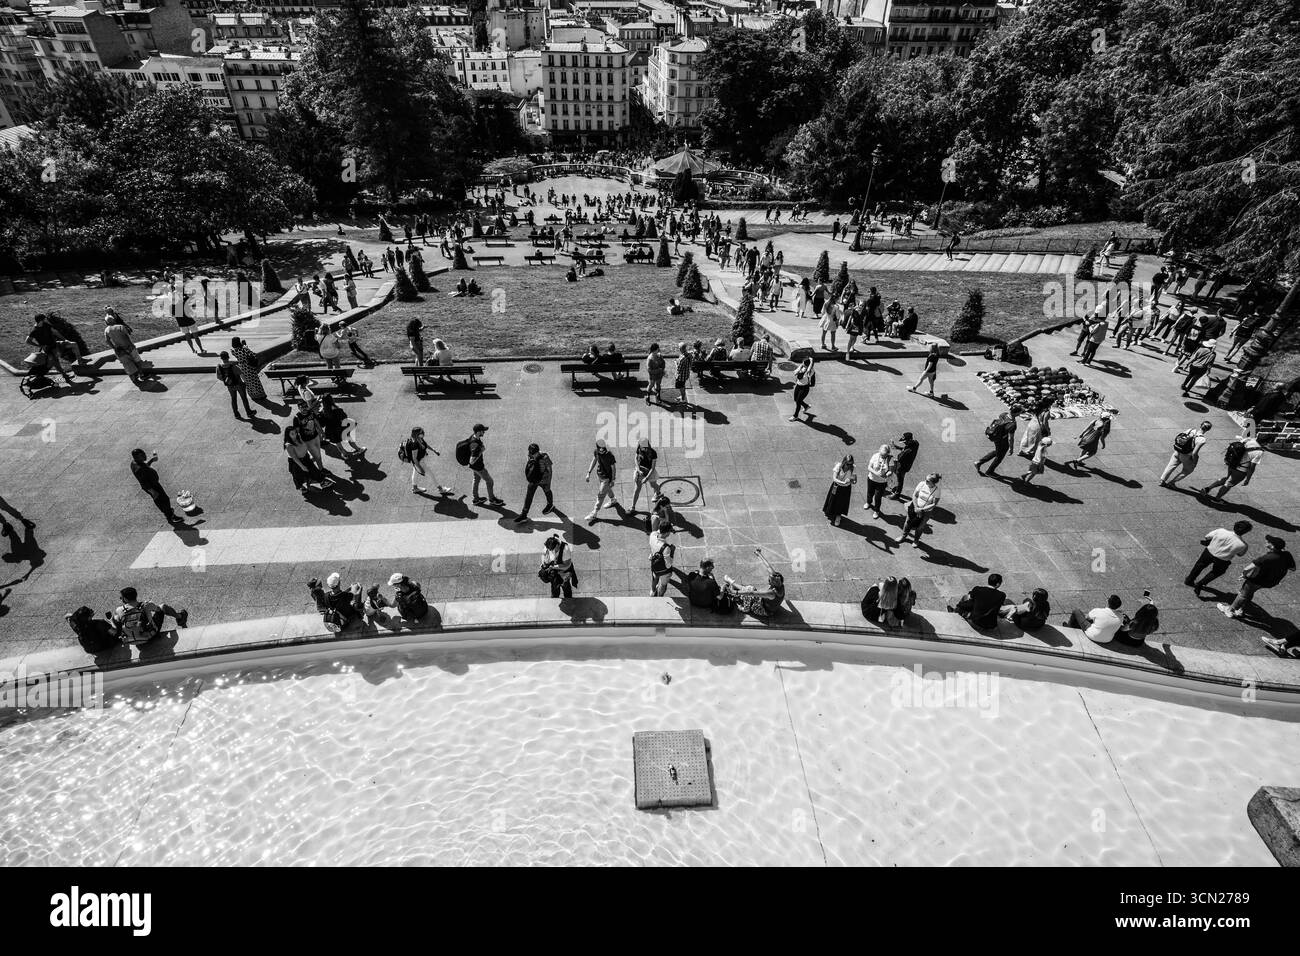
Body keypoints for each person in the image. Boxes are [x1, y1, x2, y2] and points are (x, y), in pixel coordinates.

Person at [1219, 536, 1294, 620]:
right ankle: (1241, 610)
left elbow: (1247, 568)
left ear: (1272, 546)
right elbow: (1292, 568)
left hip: (1256, 580)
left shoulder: (1266, 558)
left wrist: (1244, 575)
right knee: (1250, 592)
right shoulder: (1287, 555)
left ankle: (1230, 610)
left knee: (1243, 594)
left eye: (1269, 542)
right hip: (1271, 582)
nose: (1266, 541)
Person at [1185, 521, 1251, 594]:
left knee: (1199, 565)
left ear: (1234, 526)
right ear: (1245, 532)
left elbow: (1207, 537)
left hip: (1209, 552)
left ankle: (1189, 580)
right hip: (1223, 559)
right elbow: (1240, 554)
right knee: (1216, 572)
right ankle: (1200, 584)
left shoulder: (1221, 531)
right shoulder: (1243, 545)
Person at [108, 586, 189, 645]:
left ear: (125, 599)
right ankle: (180, 617)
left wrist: (111, 620)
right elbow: (158, 610)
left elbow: (116, 626)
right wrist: (148, 613)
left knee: (116, 618)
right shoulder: (146, 605)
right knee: (162, 607)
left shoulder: (119, 610)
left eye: (121, 597)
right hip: (150, 636)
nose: (120, 599)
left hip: (131, 641)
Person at [722, 551, 786, 619]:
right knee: (750, 589)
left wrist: (735, 592)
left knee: (749, 593)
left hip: (763, 609)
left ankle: (744, 608)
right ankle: (733, 584)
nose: (768, 581)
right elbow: (768, 567)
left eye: (769, 580)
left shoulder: (771, 593)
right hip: (766, 603)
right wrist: (759, 554)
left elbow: (752, 593)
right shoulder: (780, 584)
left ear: (773, 583)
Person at [1198, 436, 1263, 500]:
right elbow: (1251, 468)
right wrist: (1248, 479)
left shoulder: (1249, 440)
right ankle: (1217, 499)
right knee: (1229, 484)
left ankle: (1208, 488)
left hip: (1232, 464)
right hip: (1241, 470)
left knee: (1227, 478)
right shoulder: (1259, 452)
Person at [131, 449, 182, 524]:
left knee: (163, 499)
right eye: (142, 456)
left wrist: (152, 460)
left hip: (153, 484)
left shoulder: (135, 463)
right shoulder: (139, 469)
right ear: (136, 457)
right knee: (163, 500)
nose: (145, 456)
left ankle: (168, 511)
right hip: (152, 486)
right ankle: (170, 516)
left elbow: (145, 467)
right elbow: (144, 482)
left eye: (144, 454)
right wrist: (153, 491)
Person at [26, 314, 78, 386]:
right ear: (41, 320)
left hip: (55, 345)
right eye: (45, 319)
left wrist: (65, 340)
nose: (46, 320)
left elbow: (56, 332)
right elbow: (27, 341)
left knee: (73, 345)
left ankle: (77, 364)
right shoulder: (35, 331)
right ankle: (65, 376)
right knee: (55, 362)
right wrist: (39, 345)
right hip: (48, 349)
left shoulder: (46, 325)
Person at [401, 426, 452, 496]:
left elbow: (425, 445)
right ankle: (440, 489)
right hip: (419, 462)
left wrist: (434, 450)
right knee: (431, 474)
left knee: (415, 473)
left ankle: (415, 488)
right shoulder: (414, 444)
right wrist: (420, 468)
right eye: (421, 432)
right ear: (417, 434)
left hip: (420, 461)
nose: (423, 433)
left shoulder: (419, 439)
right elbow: (414, 458)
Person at [1159, 421, 1211, 487]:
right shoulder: (1202, 439)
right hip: (1186, 456)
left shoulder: (1191, 430)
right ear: (1208, 429)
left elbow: (1180, 438)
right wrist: (1194, 462)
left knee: (1171, 465)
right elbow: (1194, 453)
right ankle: (1172, 483)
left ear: (1200, 425)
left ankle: (1162, 480)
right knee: (1187, 470)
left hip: (1178, 451)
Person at [896, 474, 941, 547]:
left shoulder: (937, 490)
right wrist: (916, 507)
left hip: (926, 511)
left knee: (920, 526)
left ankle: (916, 540)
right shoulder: (922, 484)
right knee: (908, 522)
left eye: (927, 480)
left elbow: (934, 504)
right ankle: (903, 536)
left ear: (933, 482)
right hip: (914, 507)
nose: (925, 481)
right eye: (925, 479)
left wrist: (921, 509)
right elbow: (914, 495)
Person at [104, 314, 149, 386]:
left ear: (106, 322)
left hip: (119, 350)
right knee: (137, 361)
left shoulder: (106, 330)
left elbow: (107, 341)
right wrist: (131, 345)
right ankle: (141, 374)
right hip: (129, 347)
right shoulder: (120, 327)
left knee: (127, 364)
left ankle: (134, 378)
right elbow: (127, 336)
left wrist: (114, 348)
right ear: (113, 320)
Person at [584, 438, 619, 523]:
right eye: (600, 450)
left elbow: (613, 468)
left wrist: (613, 480)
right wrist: (589, 472)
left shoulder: (609, 455)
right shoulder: (596, 452)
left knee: (600, 495)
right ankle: (613, 500)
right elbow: (594, 460)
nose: (602, 451)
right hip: (600, 475)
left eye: (603, 449)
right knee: (607, 489)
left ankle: (594, 513)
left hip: (607, 478)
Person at [517, 443, 555, 523]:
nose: (531, 455)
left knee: (547, 491)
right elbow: (529, 466)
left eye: (533, 453)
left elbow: (550, 469)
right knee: (529, 496)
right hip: (534, 480)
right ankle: (524, 514)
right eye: (531, 453)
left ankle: (550, 505)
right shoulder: (530, 456)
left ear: (538, 452)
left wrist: (549, 481)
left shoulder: (545, 457)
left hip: (544, 479)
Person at [466, 424, 502, 506]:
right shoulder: (474, 444)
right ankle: (492, 500)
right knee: (490, 481)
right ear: (478, 432)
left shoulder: (474, 437)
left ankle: (476, 499)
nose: (484, 432)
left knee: (476, 480)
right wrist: (481, 451)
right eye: (483, 431)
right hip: (478, 467)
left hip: (475, 467)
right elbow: (471, 461)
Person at [215, 350, 254, 418]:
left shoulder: (218, 367)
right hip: (239, 384)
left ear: (221, 358)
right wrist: (245, 382)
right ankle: (249, 412)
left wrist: (227, 380)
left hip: (230, 386)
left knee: (233, 399)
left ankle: (236, 414)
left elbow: (218, 377)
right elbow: (242, 375)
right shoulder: (233, 366)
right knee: (244, 398)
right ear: (228, 357)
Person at [230, 337, 268, 405]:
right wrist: (246, 347)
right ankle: (261, 395)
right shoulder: (244, 349)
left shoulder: (233, 351)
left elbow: (238, 355)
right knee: (255, 381)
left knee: (248, 382)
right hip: (249, 366)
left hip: (243, 368)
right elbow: (253, 354)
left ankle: (253, 396)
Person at [822, 454, 856, 526]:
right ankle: (829, 510)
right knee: (832, 499)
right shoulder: (839, 466)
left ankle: (838, 516)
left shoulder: (852, 468)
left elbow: (854, 480)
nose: (848, 466)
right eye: (847, 464)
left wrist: (851, 481)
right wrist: (843, 482)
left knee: (841, 502)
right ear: (844, 462)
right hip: (836, 486)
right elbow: (834, 478)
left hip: (846, 488)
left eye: (850, 464)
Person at [541, 534, 578, 599]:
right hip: (553, 571)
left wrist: (554, 567)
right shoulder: (549, 546)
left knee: (565, 586)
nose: (552, 551)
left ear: (557, 545)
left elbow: (567, 565)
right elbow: (543, 554)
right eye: (550, 550)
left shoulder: (565, 549)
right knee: (554, 586)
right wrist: (543, 562)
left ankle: (568, 599)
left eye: (553, 549)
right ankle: (555, 598)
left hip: (564, 571)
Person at [630, 437, 661, 512]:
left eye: (644, 447)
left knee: (653, 485)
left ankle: (658, 493)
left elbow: (652, 468)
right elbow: (636, 459)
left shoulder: (653, 453)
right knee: (637, 489)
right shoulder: (639, 449)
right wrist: (638, 469)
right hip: (640, 471)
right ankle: (632, 507)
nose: (643, 448)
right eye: (641, 447)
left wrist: (646, 478)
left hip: (650, 472)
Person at [863, 444, 893, 517]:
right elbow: (869, 467)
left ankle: (876, 510)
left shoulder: (890, 459)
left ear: (888, 453)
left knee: (878, 497)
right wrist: (876, 473)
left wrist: (887, 474)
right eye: (881, 454)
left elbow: (891, 471)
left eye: (884, 455)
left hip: (882, 482)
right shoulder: (875, 456)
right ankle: (868, 502)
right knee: (870, 493)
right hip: (871, 479)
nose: (882, 456)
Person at [890, 432, 919, 500]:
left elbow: (899, 457)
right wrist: (897, 447)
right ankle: (897, 488)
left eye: (904, 442)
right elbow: (905, 448)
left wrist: (895, 459)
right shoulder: (915, 443)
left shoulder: (908, 451)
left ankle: (897, 494)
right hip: (906, 464)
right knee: (898, 476)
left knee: (900, 479)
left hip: (902, 466)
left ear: (908, 440)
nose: (904, 443)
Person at [650, 525, 676, 596]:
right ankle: (660, 596)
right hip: (664, 570)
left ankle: (653, 592)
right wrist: (672, 551)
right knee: (663, 584)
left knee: (655, 578)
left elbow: (658, 531)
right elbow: (668, 565)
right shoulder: (666, 548)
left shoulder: (652, 535)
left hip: (654, 563)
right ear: (667, 533)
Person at [789, 356, 815, 422]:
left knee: (798, 402)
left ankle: (795, 416)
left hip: (804, 388)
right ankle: (806, 406)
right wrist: (809, 360)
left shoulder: (810, 371)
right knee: (795, 399)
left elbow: (808, 370)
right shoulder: (802, 367)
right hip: (798, 385)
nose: (802, 364)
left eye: (803, 363)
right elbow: (797, 372)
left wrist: (811, 361)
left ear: (807, 365)